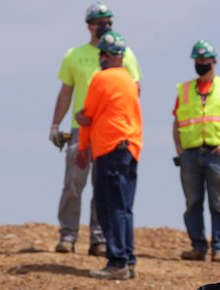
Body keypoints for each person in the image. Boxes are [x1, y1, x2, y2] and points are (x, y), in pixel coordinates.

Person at [49, 3, 141, 256]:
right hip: (81, 129)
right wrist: (55, 124)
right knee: (73, 183)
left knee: (103, 186)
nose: (105, 25)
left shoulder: (125, 53)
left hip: (108, 134)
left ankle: (99, 239)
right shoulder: (74, 55)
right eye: (100, 21)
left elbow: (134, 91)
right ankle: (68, 235)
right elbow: (66, 92)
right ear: (89, 24)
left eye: (108, 21)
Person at [75, 31, 142, 281]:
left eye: (102, 54)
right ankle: (128, 258)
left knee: (108, 205)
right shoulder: (129, 81)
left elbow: (86, 116)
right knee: (124, 207)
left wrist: (83, 147)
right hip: (130, 147)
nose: (101, 58)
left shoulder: (101, 79)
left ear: (107, 55)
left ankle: (117, 262)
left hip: (110, 148)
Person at [173, 40, 220, 265]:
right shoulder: (184, 89)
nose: (201, 64)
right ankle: (198, 246)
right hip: (190, 154)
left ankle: (219, 249)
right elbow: (176, 121)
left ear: (214, 61)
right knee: (192, 202)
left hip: (216, 153)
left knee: (219, 203)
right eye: (197, 61)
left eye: (204, 61)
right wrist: (180, 149)